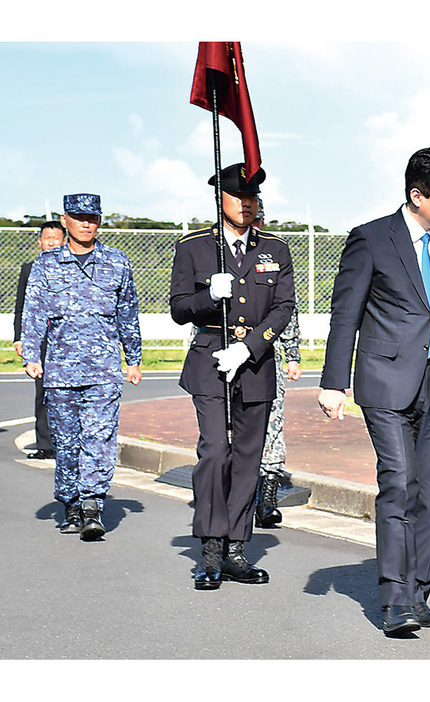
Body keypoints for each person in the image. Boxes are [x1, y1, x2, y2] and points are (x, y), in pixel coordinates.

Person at [319, 147, 430, 635]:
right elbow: (346, 315)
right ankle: (394, 600)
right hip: (384, 383)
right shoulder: (371, 239)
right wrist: (333, 382)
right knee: (399, 484)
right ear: (417, 196)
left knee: (429, 493)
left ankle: (419, 594)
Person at [170, 163, 295, 590]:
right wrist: (209, 297)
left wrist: (250, 345)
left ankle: (236, 548)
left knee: (248, 458)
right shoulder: (194, 247)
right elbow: (179, 308)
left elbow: (283, 307)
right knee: (214, 452)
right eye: (237, 195)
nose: (246, 203)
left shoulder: (274, 249)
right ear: (219, 199)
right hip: (209, 359)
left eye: (252, 196)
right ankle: (209, 546)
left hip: (254, 361)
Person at [21, 194, 142, 540]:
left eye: (93, 217)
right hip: (60, 370)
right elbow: (34, 312)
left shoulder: (116, 262)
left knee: (99, 437)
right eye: (79, 217)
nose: (87, 223)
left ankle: (92, 506)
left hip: (103, 369)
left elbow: (127, 314)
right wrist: (31, 354)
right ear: (65, 220)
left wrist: (133, 358)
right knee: (66, 439)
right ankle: (70, 504)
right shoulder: (47, 265)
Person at [251, 199, 303, 529]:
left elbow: (288, 310)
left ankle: (266, 498)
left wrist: (292, 354)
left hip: (267, 359)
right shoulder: (217, 253)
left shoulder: (274, 256)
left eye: (258, 219)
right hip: (225, 360)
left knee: (272, 426)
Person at [13, 221, 66, 460]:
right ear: (40, 241)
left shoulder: (72, 267)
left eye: (57, 238)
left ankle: (69, 443)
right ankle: (46, 444)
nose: (52, 242)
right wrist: (20, 338)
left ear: (65, 240)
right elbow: (21, 308)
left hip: (67, 339)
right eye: (47, 238)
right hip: (39, 339)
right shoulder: (29, 268)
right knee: (42, 391)